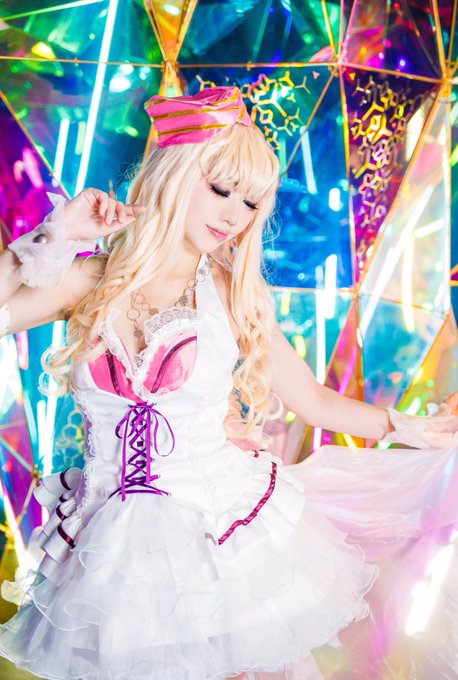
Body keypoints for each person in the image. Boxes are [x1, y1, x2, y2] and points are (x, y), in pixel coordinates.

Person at [0, 86, 456, 680]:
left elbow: (312, 401)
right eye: (221, 189)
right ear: (174, 175)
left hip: (218, 533)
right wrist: (58, 232)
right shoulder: (89, 280)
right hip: (107, 552)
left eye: (250, 202)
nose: (234, 215)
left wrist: (411, 427)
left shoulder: (232, 291)